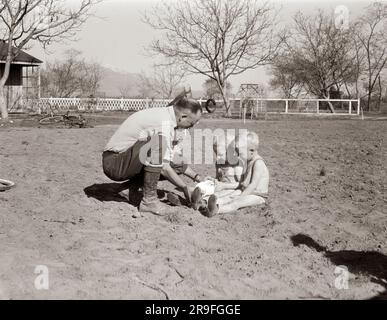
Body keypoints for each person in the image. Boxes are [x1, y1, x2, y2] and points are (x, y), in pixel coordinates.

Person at [102, 95, 202, 216]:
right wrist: (184, 188)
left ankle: (129, 189)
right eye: (191, 124)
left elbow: (174, 160)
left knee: (173, 160)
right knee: (159, 143)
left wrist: (197, 177)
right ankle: (149, 201)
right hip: (114, 162)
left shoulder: (166, 115)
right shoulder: (165, 124)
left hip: (125, 159)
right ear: (183, 117)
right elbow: (164, 168)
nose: (191, 128)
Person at [193, 131, 269, 217]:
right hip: (246, 190)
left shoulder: (258, 163)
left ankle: (216, 210)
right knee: (228, 196)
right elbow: (242, 183)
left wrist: (241, 196)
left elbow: (253, 185)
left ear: (251, 150)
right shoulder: (247, 162)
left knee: (236, 202)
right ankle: (203, 202)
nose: (237, 156)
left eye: (239, 153)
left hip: (258, 195)